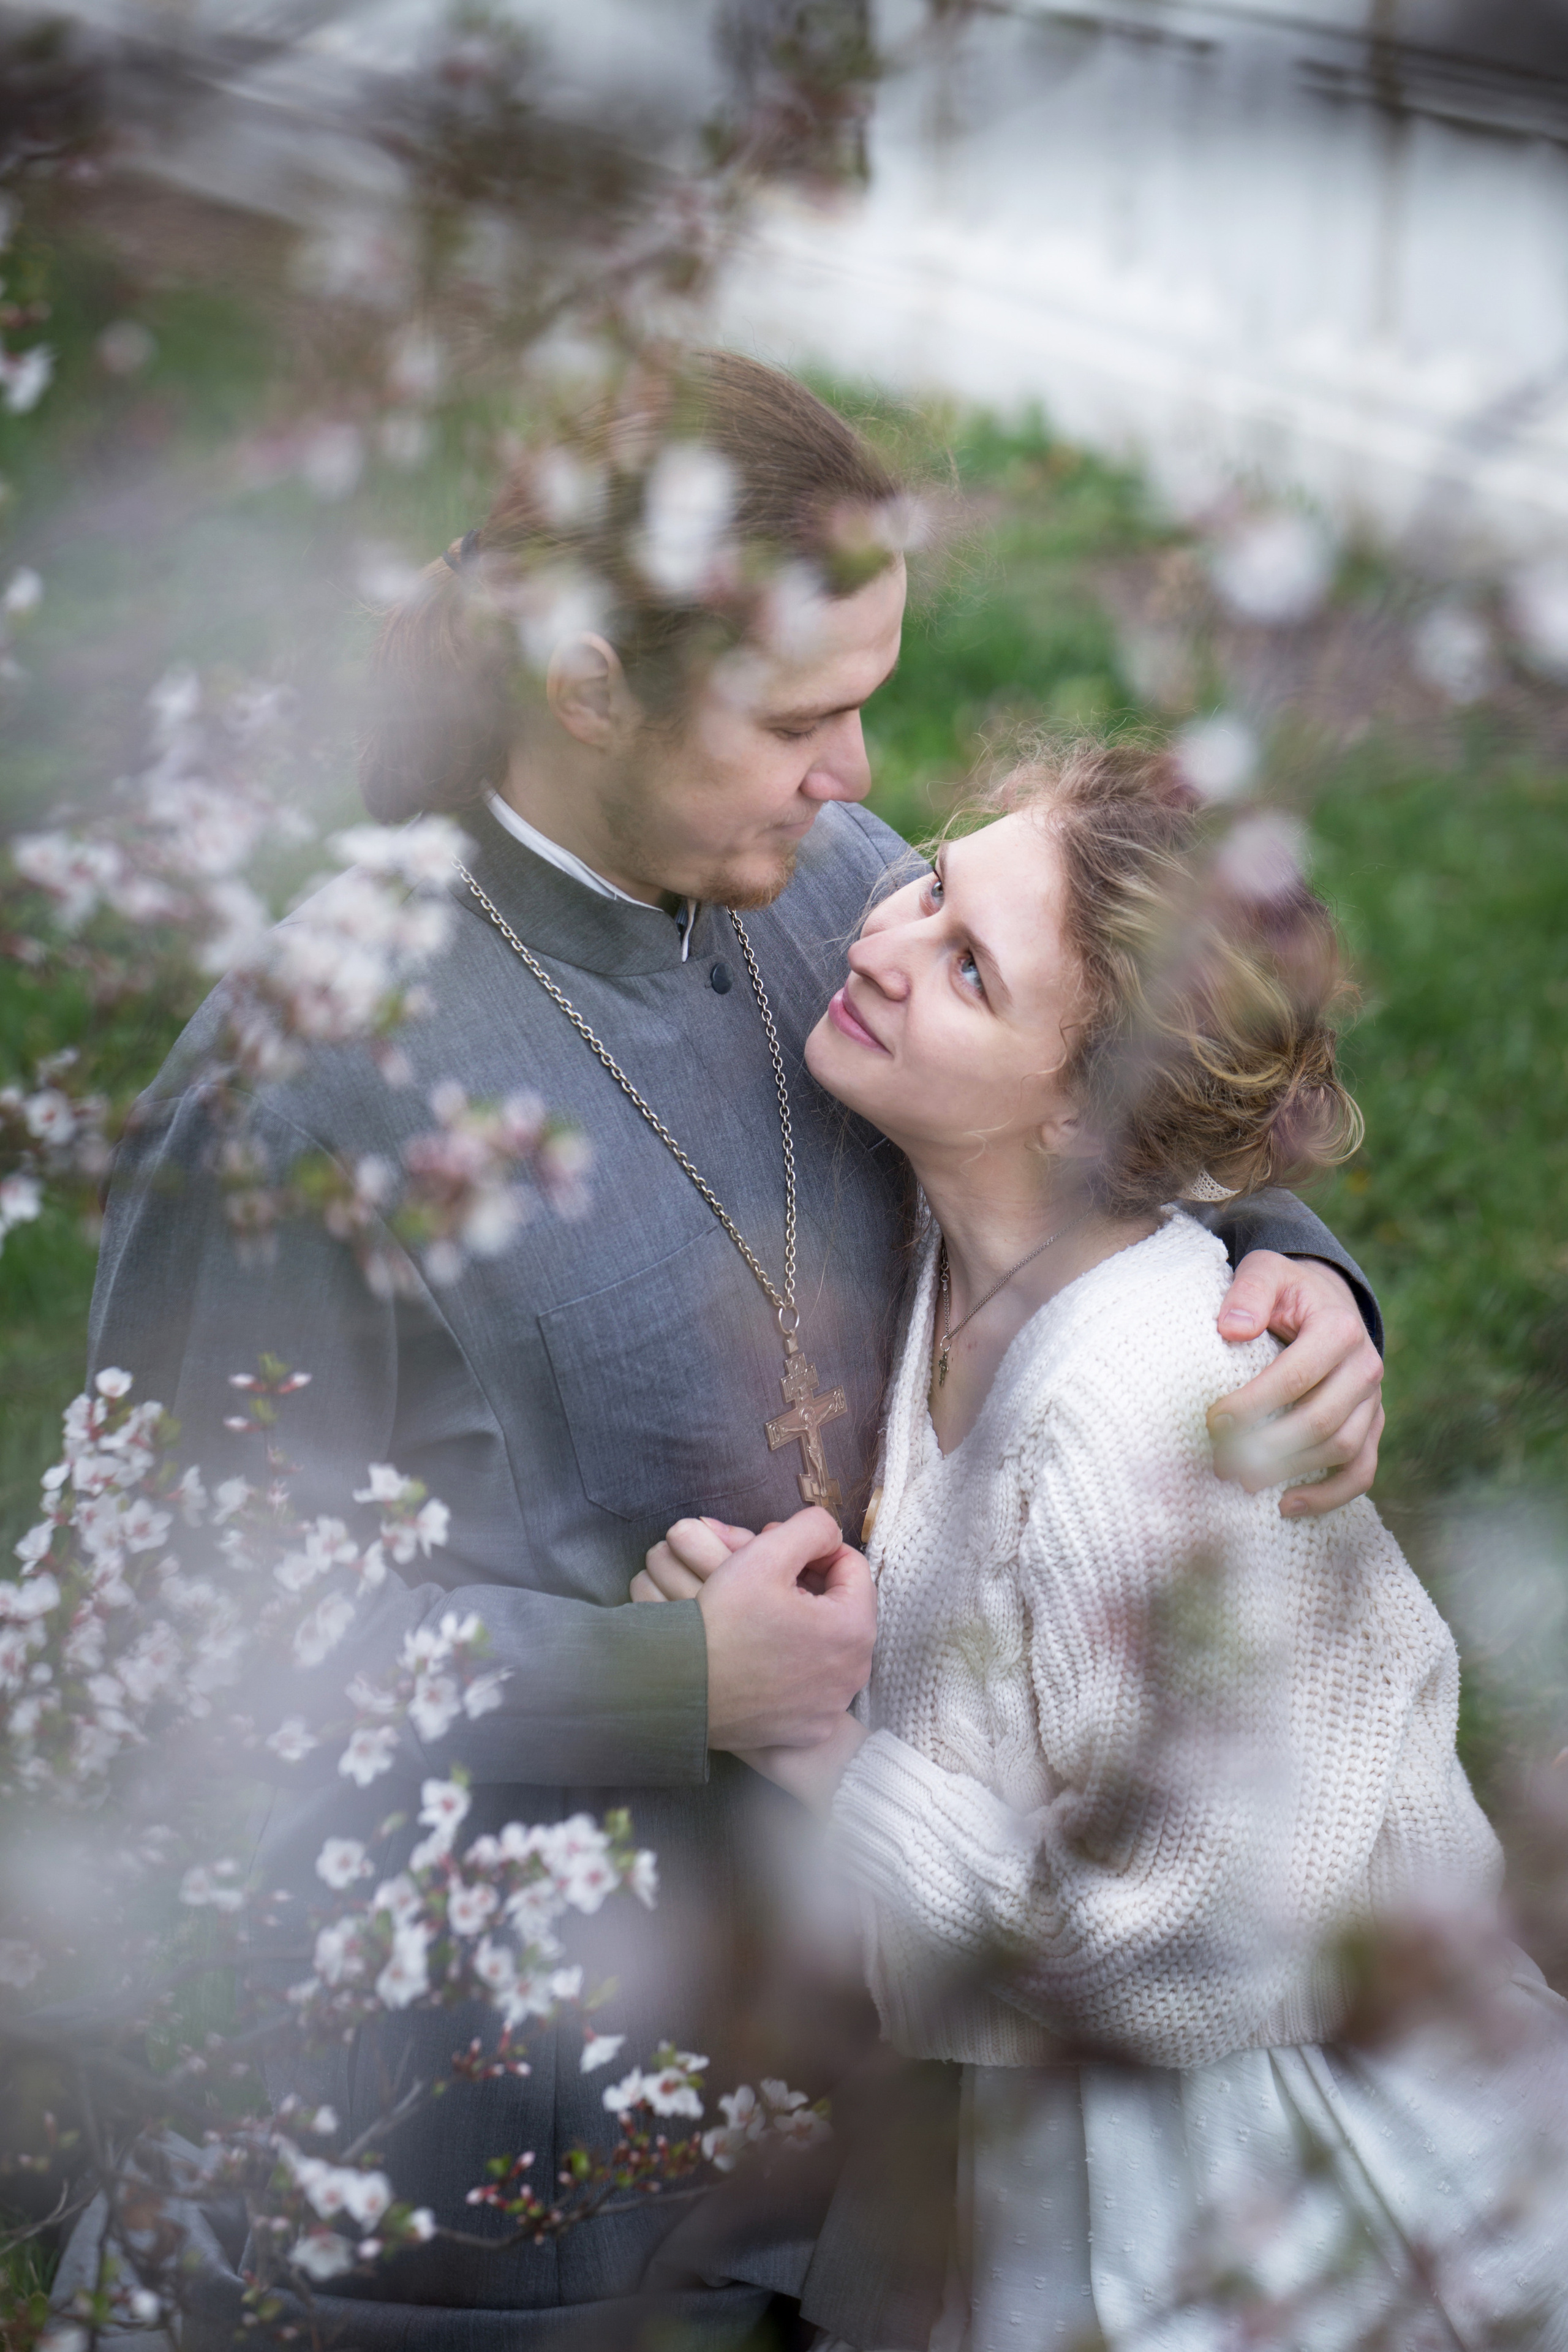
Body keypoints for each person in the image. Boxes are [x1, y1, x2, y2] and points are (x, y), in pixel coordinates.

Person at [89, 360, 1385, 2352]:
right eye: (798, 718)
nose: (861, 774)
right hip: (506, 2145)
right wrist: (671, 1681)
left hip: (877, 2041)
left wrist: (1291, 1271)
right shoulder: (307, 1090)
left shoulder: (844, 910)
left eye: (867, 699)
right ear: (592, 685)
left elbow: (1074, 1120)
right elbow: (159, 1639)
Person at [639, 741, 1568, 2350]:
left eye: (968, 968)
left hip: (1244, 2147)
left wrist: (814, 1743)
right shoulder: (965, 1223)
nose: (878, 939)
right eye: (932, 882)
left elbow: (1186, 1970)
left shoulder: (1145, 1414)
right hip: (1032, 2092)